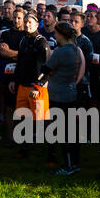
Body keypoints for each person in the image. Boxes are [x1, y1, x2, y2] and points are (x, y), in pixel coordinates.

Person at [42, 21, 85, 174]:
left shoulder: (61, 51)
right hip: (71, 93)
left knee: (62, 132)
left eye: (56, 33)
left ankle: (67, 166)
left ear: (61, 34)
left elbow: (46, 69)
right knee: (71, 131)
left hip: (58, 96)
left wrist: (49, 73)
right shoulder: (76, 50)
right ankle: (75, 163)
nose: (54, 35)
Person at [11, 12, 51, 158]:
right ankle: (24, 150)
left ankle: (50, 154)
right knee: (22, 120)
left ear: (36, 25)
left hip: (37, 88)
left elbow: (48, 67)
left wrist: (39, 85)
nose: (27, 24)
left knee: (41, 122)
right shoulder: (23, 41)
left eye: (30, 22)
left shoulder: (42, 42)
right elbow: (19, 63)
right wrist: (13, 81)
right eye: (26, 22)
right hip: (22, 86)